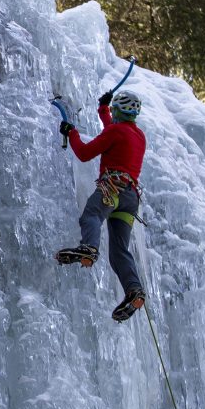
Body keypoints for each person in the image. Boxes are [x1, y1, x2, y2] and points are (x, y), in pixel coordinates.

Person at [56, 90, 147, 322]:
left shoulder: (116, 131)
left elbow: (85, 153)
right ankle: (133, 290)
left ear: (118, 111)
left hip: (112, 189)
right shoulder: (138, 136)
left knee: (92, 215)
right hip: (130, 200)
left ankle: (89, 248)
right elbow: (114, 132)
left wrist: (72, 132)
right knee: (119, 251)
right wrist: (102, 110)